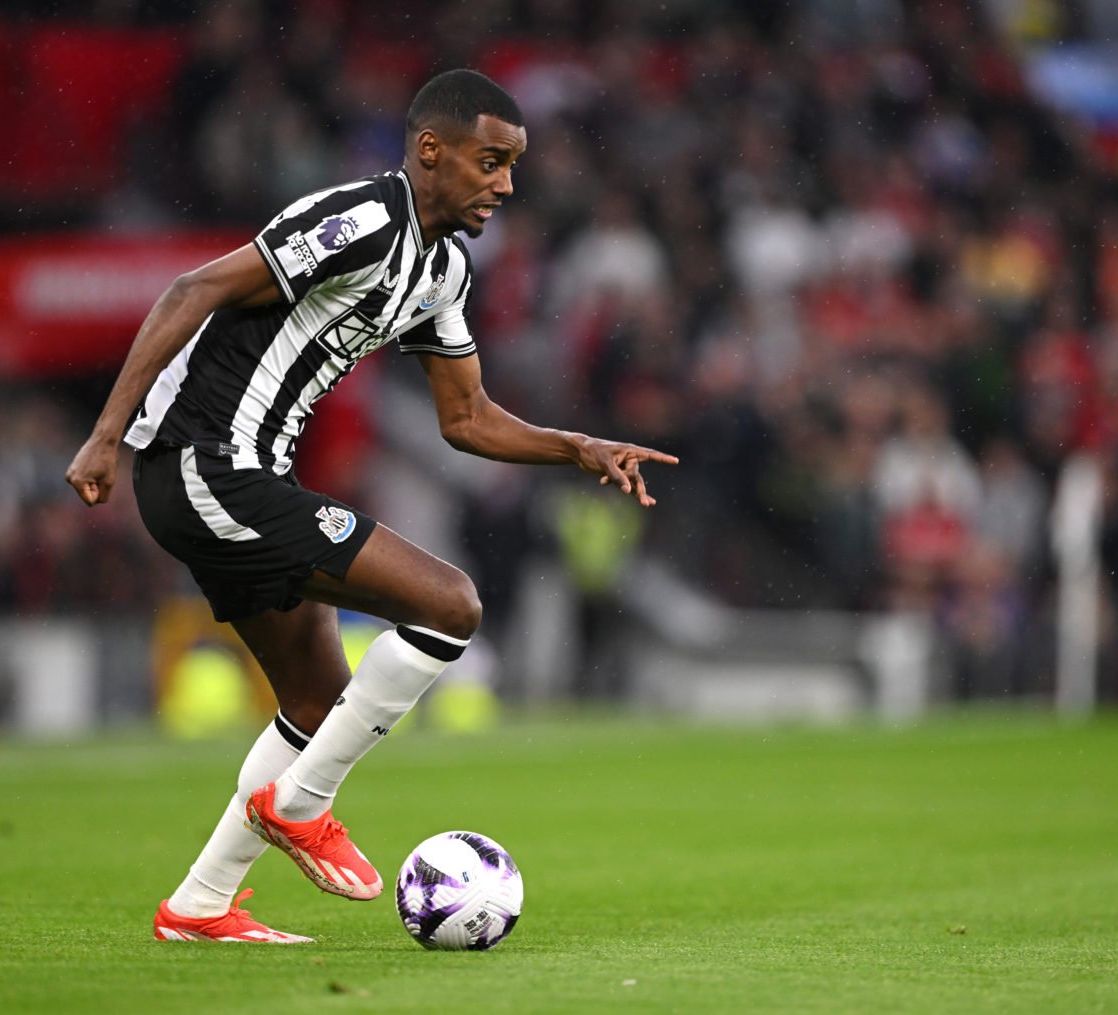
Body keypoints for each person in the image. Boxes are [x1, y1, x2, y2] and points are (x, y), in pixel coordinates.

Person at [65, 69, 678, 943]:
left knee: (315, 698)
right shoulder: (361, 220)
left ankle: (200, 906)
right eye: (490, 161)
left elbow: (465, 419)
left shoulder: (442, 269)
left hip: (245, 476)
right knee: (449, 604)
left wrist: (576, 447)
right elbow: (189, 290)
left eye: (513, 167)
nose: (505, 185)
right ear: (432, 151)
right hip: (202, 464)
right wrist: (103, 437)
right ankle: (304, 805)